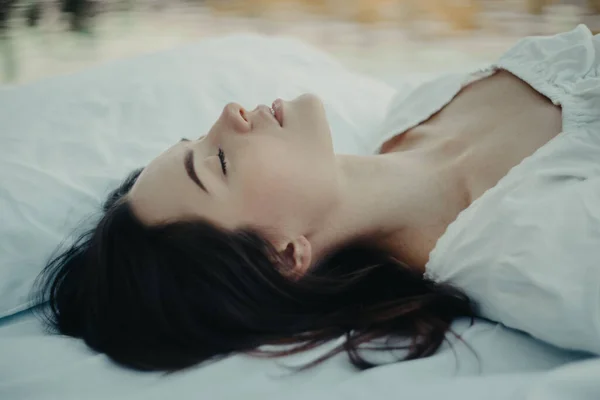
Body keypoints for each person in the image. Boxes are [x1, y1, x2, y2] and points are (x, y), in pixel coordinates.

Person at [34, 25, 600, 372]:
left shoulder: (411, 110)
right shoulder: (534, 257)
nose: (228, 115)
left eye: (198, 140)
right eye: (220, 163)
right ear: (284, 256)